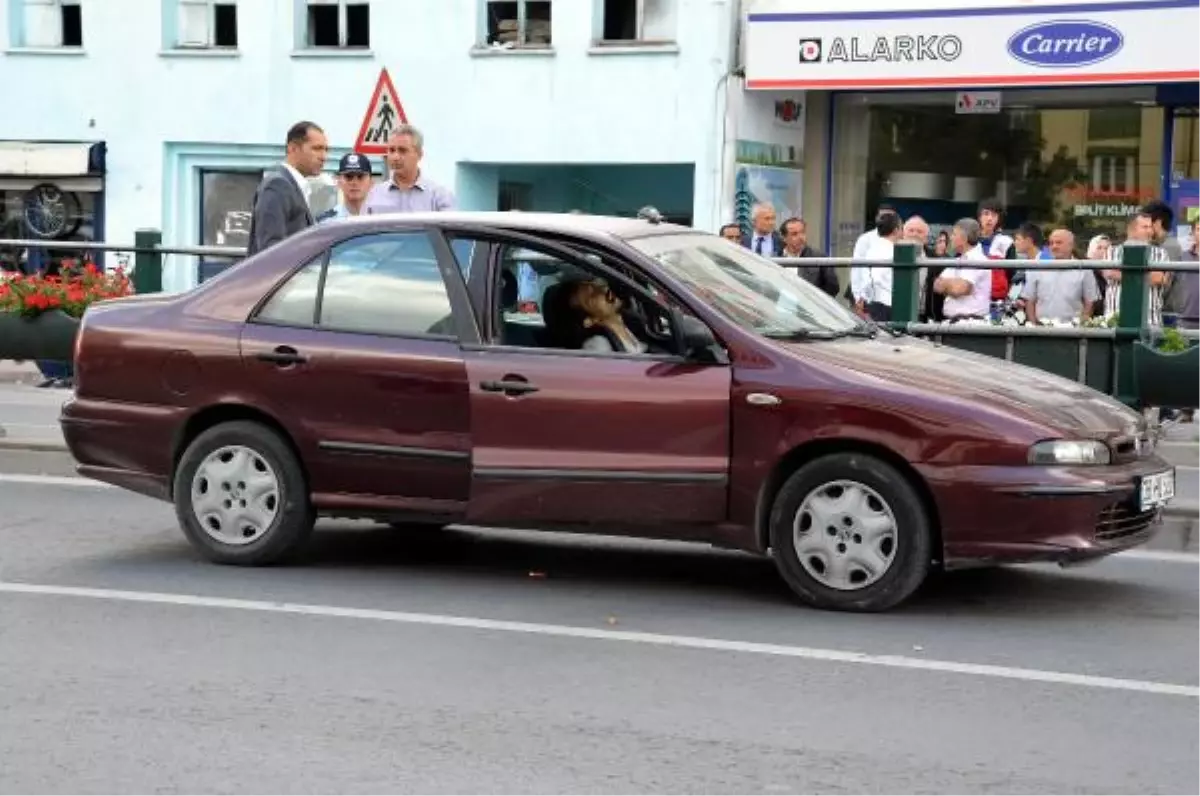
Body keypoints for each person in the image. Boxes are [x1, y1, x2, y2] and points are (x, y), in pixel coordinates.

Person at [247, 121, 328, 256]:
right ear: (293, 149)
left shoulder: (293, 185)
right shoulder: (277, 185)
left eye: (326, 150)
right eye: (317, 148)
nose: (323, 157)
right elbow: (270, 250)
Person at [363, 125, 456, 214]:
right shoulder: (374, 194)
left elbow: (451, 228)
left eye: (402, 150)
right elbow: (363, 229)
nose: (395, 157)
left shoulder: (438, 196)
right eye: (391, 150)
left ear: (419, 154)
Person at [778, 216, 839, 296]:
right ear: (784, 238)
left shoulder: (818, 257)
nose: (801, 237)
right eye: (794, 234)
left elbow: (833, 287)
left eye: (802, 232)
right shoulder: (776, 258)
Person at [316, 153, 373, 221]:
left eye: (360, 177)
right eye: (348, 176)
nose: (354, 182)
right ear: (339, 182)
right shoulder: (326, 222)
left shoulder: (380, 218)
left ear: (371, 183)